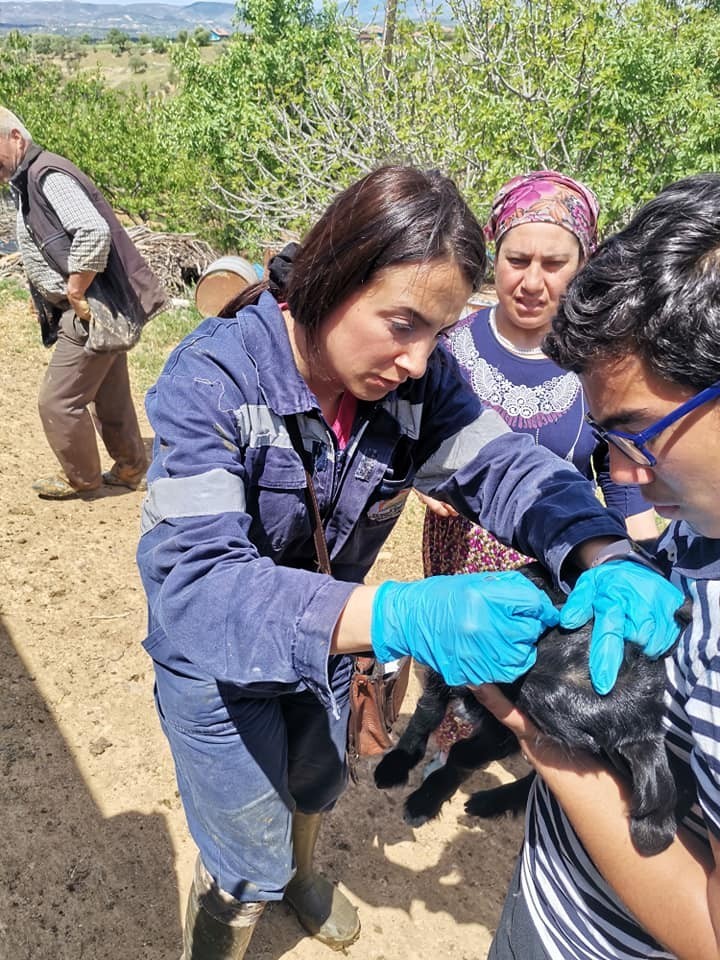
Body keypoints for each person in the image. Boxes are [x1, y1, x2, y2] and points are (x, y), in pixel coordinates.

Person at [135, 165, 682, 960]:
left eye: (440, 330)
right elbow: (196, 586)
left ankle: (302, 874)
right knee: (244, 852)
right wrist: (401, 615)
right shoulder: (212, 382)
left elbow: (502, 468)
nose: (422, 361)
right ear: (331, 278)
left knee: (317, 782)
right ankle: (242, 906)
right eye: (403, 324)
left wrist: (601, 549)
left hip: (330, 644)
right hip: (218, 664)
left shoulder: (412, 386)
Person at [477, 172, 720, 960]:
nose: (618, 473)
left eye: (637, 435)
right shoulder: (702, 524)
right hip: (554, 896)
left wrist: (542, 739)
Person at [420, 169, 658, 759]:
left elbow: (617, 473)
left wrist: (637, 558)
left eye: (553, 264)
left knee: (539, 690)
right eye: (516, 259)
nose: (530, 281)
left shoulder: (602, 362)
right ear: (493, 258)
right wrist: (414, 487)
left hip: (560, 564)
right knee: (460, 668)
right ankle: (452, 743)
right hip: (460, 556)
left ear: (585, 263)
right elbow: (404, 446)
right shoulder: (445, 345)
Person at [0, 107, 166, 499]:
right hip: (96, 307)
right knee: (109, 394)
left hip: (91, 308)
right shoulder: (32, 178)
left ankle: (82, 477)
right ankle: (129, 468)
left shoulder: (45, 175)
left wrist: (74, 292)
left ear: (16, 138)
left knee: (57, 402)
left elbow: (92, 232)